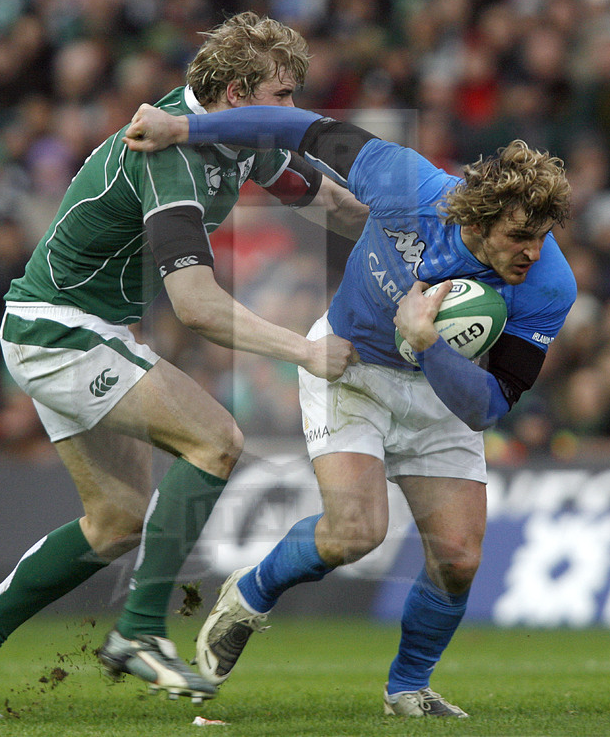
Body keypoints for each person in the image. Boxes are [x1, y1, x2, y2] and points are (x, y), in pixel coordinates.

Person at [0, 12, 366, 718]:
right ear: (239, 90)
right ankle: (141, 630)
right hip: (58, 330)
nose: (293, 109)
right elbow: (196, 306)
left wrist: (408, 232)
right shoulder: (168, 151)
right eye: (283, 94)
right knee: (216, 439)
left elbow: (328, 199)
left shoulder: (237, 137)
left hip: (68, 328)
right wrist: (306, 350)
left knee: (116, 519)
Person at [123, 101, 574, 717]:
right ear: (480, 217)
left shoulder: (549, 285)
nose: (533, 252)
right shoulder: (404, 181)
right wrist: (186, 127)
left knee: (460, 557)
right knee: (356, 533)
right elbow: (297, 127)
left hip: (446, 389)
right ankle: (251, 593)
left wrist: (427, 344)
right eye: (521, 236)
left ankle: (408, 688)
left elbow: (489, 407)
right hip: (349, 365)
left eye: (543, 236)